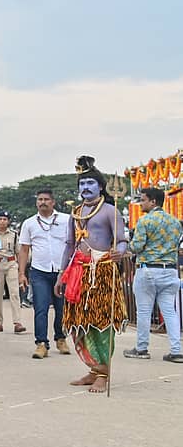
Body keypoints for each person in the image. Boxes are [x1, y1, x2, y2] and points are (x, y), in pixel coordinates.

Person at [56, 156, 127, 394]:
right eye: (82, 184)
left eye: (90, 183)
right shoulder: (75, 212)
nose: (86, 188)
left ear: (100, 186)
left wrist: (120, 253)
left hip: (103, 274)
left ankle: (103, 374)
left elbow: (122, 240)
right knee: (79, 324)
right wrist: (61, 275)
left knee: (100, 323)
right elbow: (69, 244)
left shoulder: (109, 211)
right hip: (77, 273)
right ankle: (92, 368)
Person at [124, 187, 183, 363]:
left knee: (144, 311)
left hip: (149, 269)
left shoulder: (145, 221)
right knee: (170, 312)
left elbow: (136, 247)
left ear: (153, 202)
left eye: (143, 200)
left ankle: (141, 348)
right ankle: (176, 350)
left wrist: (127, 245)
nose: (141, 203)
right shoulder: (176, 222)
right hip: (170, 271)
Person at [18, 189, 72, 359]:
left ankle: (61, 338)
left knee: (61, 308)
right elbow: (24, 249)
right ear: (36, 203)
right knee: (40, 308)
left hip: (61, 271)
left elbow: (73, 243)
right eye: (40, 199)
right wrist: (21, 273)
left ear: (53, 202)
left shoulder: (66, 220)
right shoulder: (29, 223)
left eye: (46, 199)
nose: (43, 202)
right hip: (39, 271)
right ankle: (41, 343)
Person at [0, 211, 25, 334]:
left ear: (9, 221)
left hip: (11, 264)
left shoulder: (14, 235)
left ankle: (17, 322)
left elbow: (19, 252)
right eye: (0, 219)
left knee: (14, 293)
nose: (2, 221)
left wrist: (21, 270)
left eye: (5, 219)